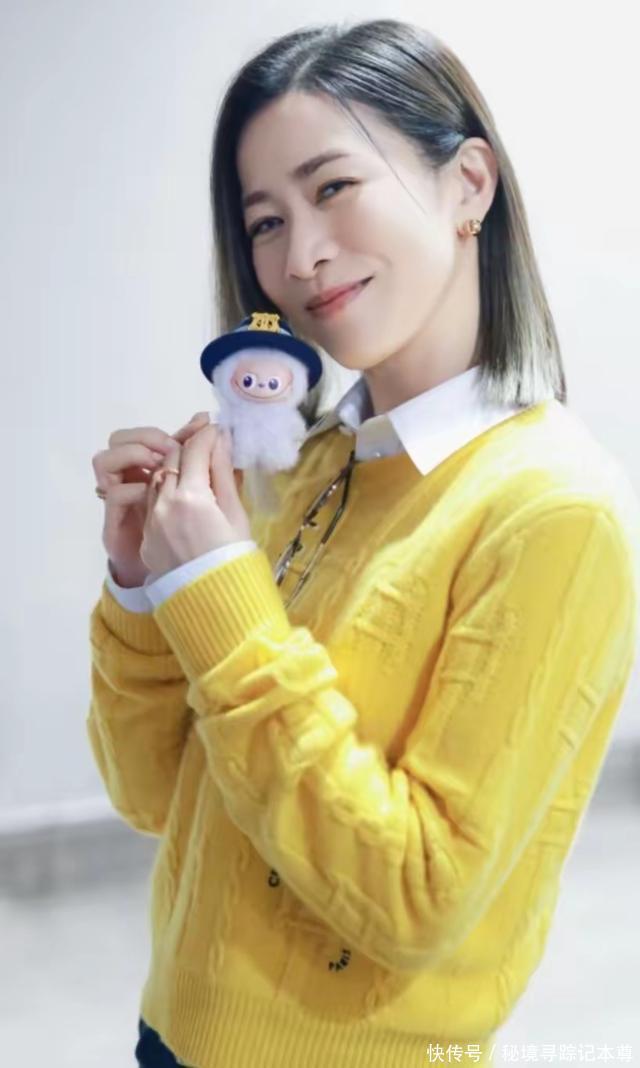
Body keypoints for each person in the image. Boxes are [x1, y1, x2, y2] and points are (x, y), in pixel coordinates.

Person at [88, 18, 640, 1068]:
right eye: (264, 221)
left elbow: (416, 897)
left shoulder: (555, 511)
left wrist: (221, 589)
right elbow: (151, 796)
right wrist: (143, 586)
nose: (299, 257)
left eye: (334, 186)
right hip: (174, 1036)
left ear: (468, 183)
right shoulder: (299, 466)